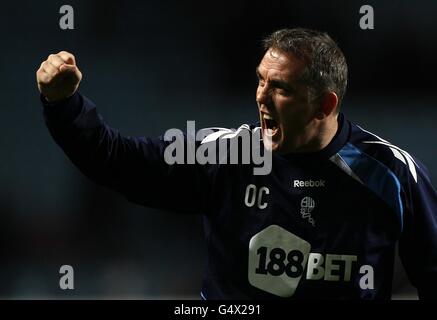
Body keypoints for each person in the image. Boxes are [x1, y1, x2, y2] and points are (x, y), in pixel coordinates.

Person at [36, 28, 437, 299]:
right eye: (261, 80)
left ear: (324, 104)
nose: (262, 96)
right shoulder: (224, 156)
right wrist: (63, 105)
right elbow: (116, 161)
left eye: (280, 87)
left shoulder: (391, 173)